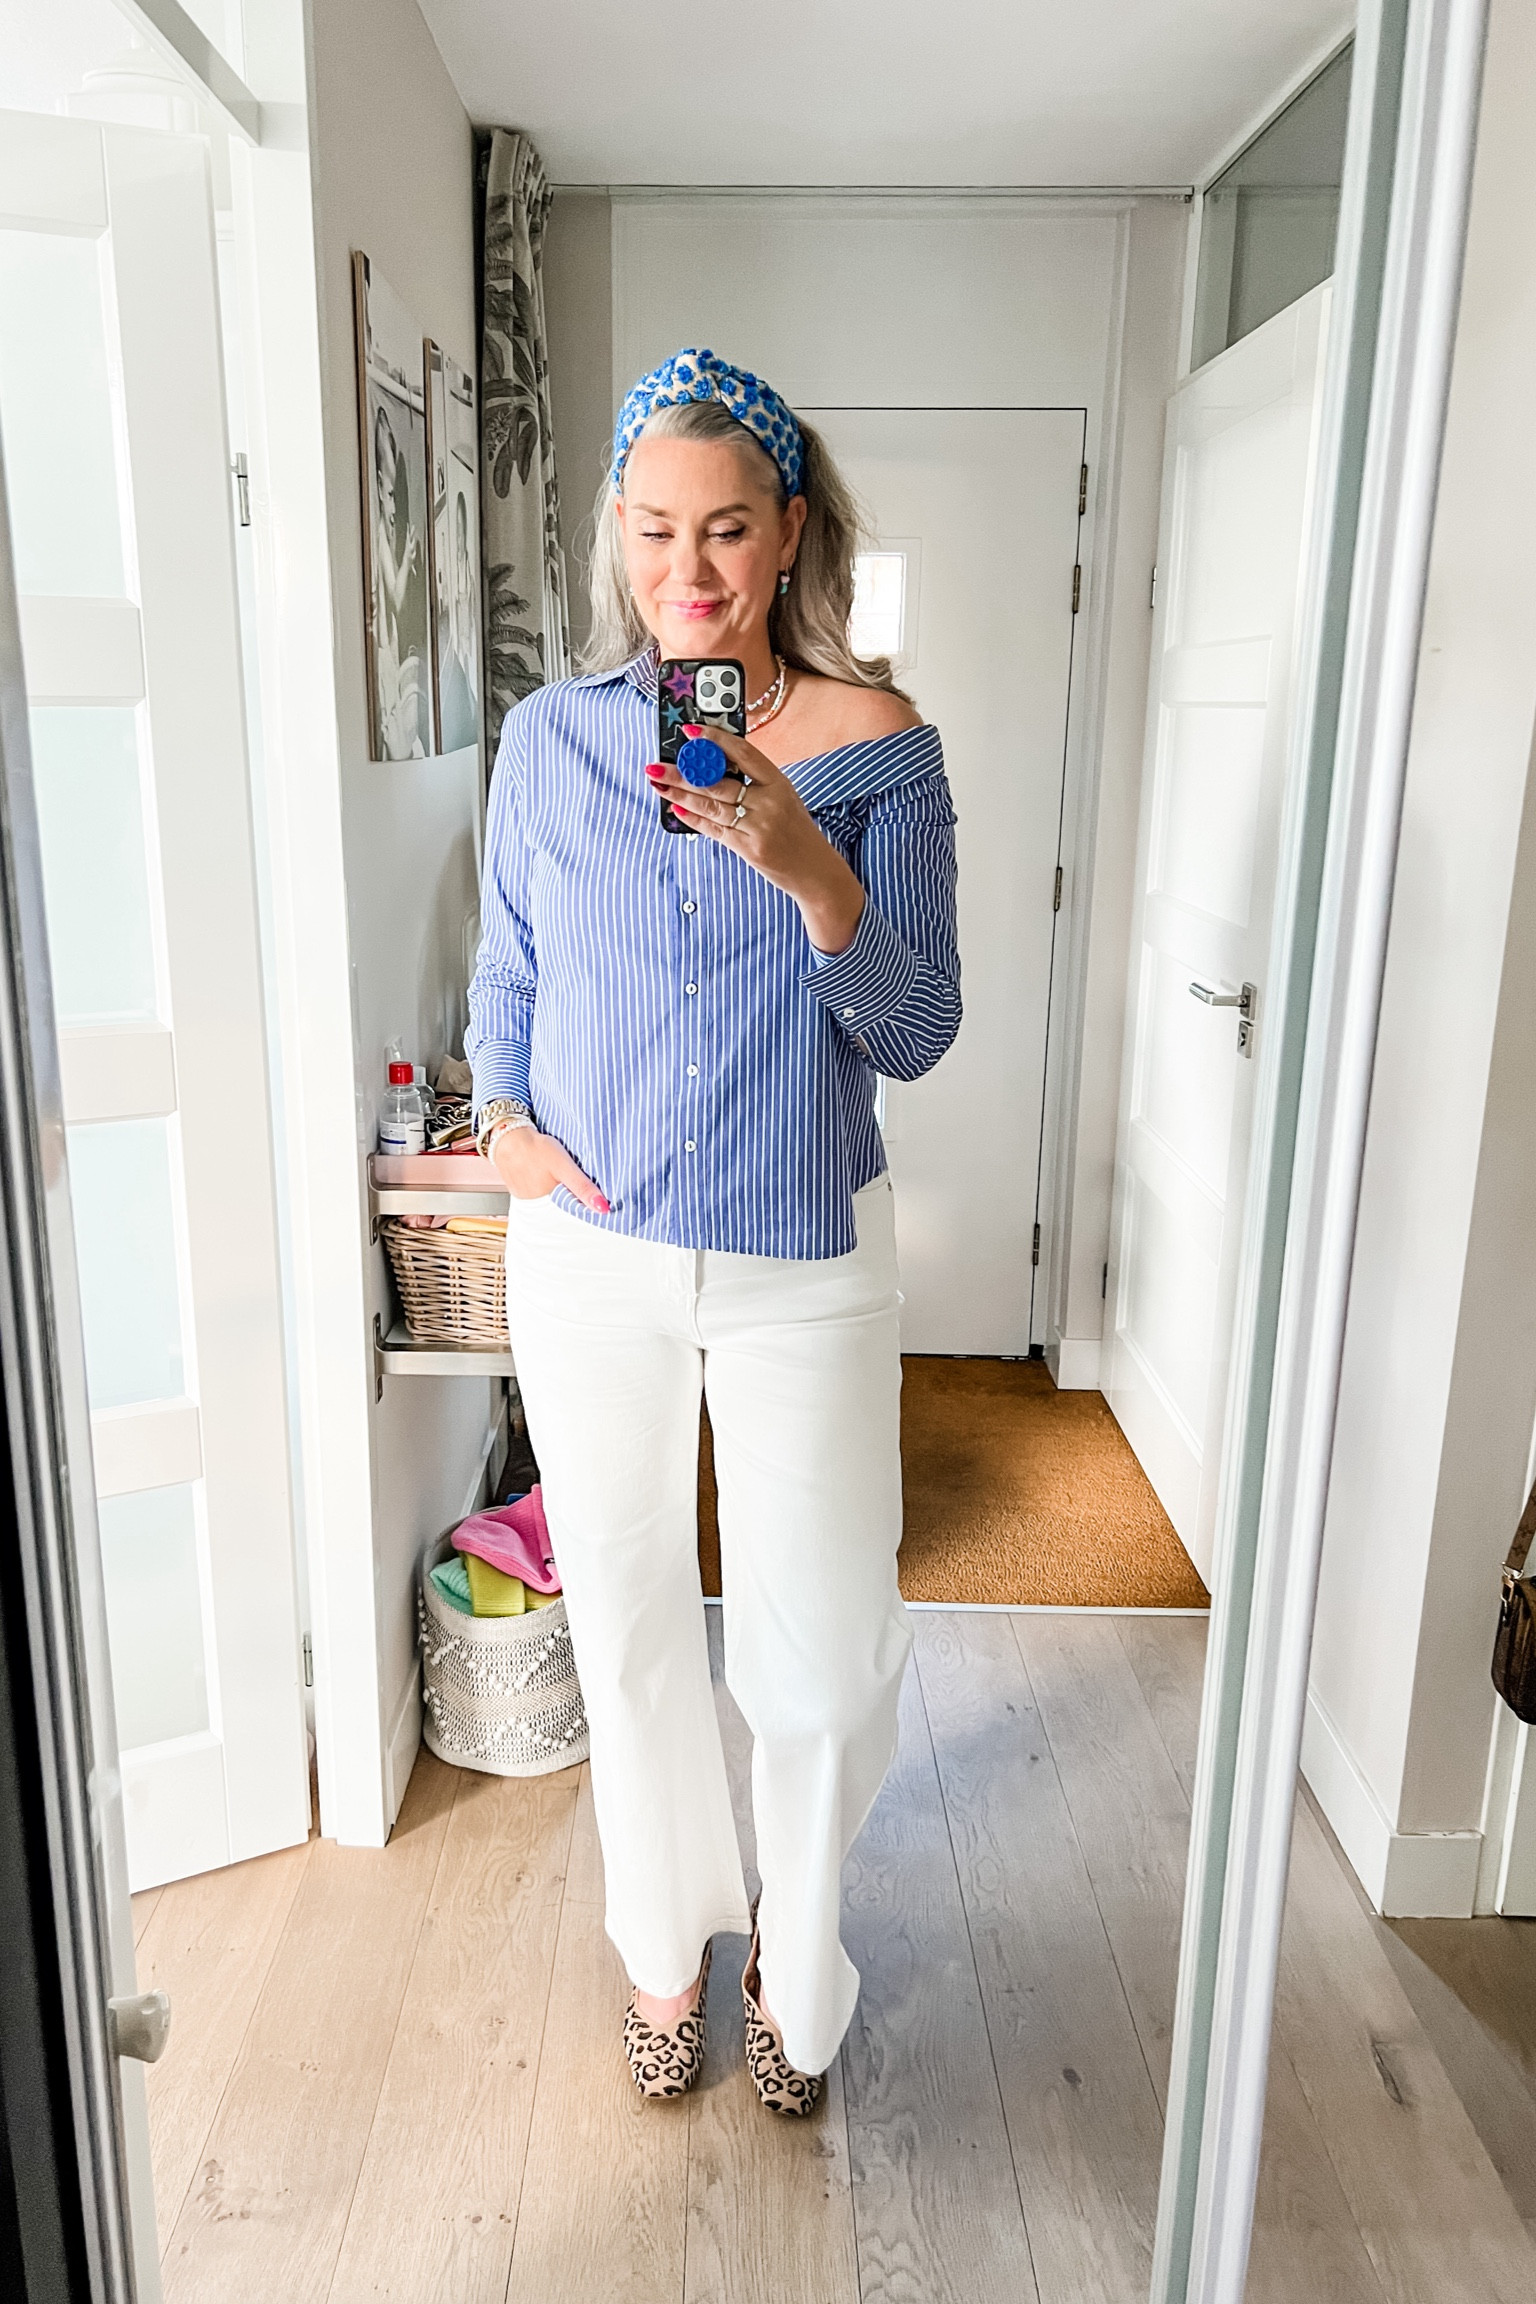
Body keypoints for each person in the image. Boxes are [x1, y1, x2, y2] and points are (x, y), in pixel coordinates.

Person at [467, 347, 961, 2114]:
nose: (690, 572)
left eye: (728, 530)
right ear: (617, 533)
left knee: (815, 1656)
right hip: (587, 1258)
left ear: (787, 533)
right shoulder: (548, 742)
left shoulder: (879, 754)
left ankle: (801, 1978)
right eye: (658, 530)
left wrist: (803, 859)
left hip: (801, 1266)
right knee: (625, 1617)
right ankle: (666, 1951)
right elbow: (504, 978)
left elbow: (913, 1028)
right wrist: (504, 1122)